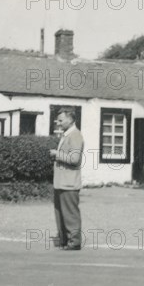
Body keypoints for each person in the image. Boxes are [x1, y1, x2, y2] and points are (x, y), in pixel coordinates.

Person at [49, 107, 84, 251]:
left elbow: (75, 159)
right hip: (62, 182)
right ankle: (65, 241)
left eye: (61, 120)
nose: (58, 123)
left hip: (69, 183)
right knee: (61, 213)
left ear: (70, 120)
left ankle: (74, 242)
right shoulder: (67, 134)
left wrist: (57, 154)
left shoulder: (75, 135)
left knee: (70, 214)